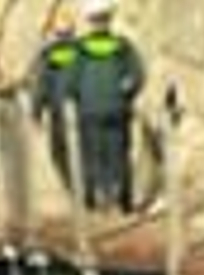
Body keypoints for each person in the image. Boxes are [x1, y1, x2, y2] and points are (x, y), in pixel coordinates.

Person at [73, 0, 143, 212]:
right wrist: (127, 90)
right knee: (118, 155)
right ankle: (122, 202)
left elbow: (70, 81)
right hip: (116, 110)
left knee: (93, 156)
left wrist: (76, 97)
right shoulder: (123, 45)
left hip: (90, 112)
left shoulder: (80, 48)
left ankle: (95, 201)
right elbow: (137, 75)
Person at [29, 7, 80, 192]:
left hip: (59, 115)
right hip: (85, 112)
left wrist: (36, 114)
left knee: (60, 156)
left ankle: (73, 191)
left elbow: (40, 86)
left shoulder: (48, 54)